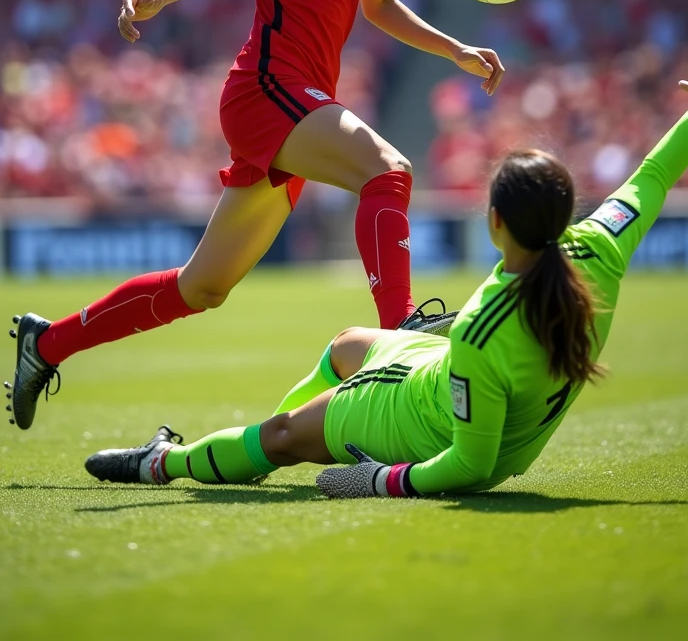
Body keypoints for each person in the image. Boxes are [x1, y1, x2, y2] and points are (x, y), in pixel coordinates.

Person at [7, 0, 504, 431]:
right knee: (389, 173)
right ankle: (400, 343)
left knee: (201, 287)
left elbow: (379, 6)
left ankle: (46, 343)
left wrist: (455, 48)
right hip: (266, 90)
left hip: (301, 103)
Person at [83, 82, 688, 497]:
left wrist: (379, 480)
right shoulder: (596, 250)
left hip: (416, 421)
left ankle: (163, 462)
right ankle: (266, 437)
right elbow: (653, 179)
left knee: (283, 438)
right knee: (347, 343)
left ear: (495, 221)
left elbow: (470, 467)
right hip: (456, 383)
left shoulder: (482, 327)